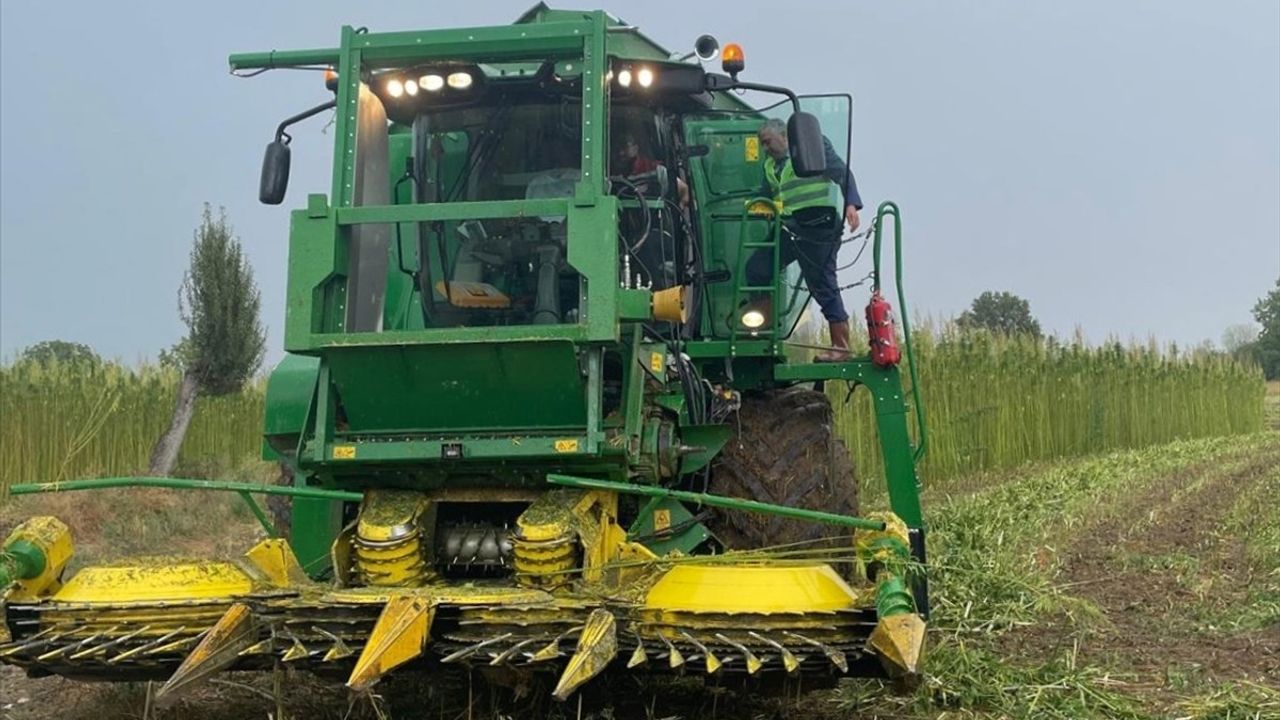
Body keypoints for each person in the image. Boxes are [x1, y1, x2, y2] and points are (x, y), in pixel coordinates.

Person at [744, 117, 862, 362]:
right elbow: (765, 195)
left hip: (819, 227)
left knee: (821, 281)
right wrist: (753, 206)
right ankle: (762, 331)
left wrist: (851, 203)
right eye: (762, 145)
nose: (765, 149)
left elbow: (842, 172)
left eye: (768, 143)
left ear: (785, 137)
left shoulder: (813, 147)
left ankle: (841, 346)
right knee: (757, 269)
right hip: (789, 228)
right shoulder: (769, 166)